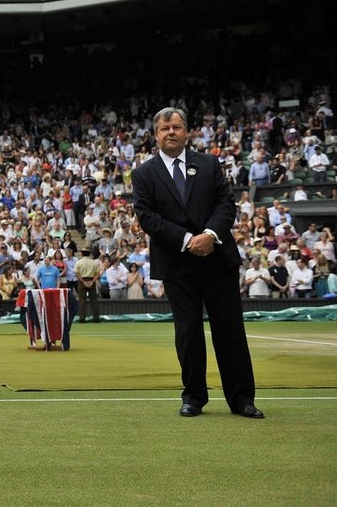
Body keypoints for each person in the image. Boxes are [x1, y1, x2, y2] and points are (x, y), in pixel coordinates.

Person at [132, 107, 262, 419]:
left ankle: (241, 399)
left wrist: (209, 234)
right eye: (164, 129)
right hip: (177, 264)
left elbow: (226, 204)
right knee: (188, 332)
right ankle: (193, 397)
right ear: (156, 135)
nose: (170, 133)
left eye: (176, 127)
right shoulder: (144, 173)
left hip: (217, 259)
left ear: (187, 131)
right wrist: (188, 239)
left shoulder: (209, 163)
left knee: (229, 330)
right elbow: (147, 217)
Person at [73, 248, 101, 323]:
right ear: (89, 254)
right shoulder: (94, 262)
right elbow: (98, 273)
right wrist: (92, 281)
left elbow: (76, 273)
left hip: (82, 280)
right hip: (91, 279)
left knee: (82, 300)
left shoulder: (79, 262)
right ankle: (96, 318)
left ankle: (82, 318)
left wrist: (83, 281)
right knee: (94, 300)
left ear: (82, 254)